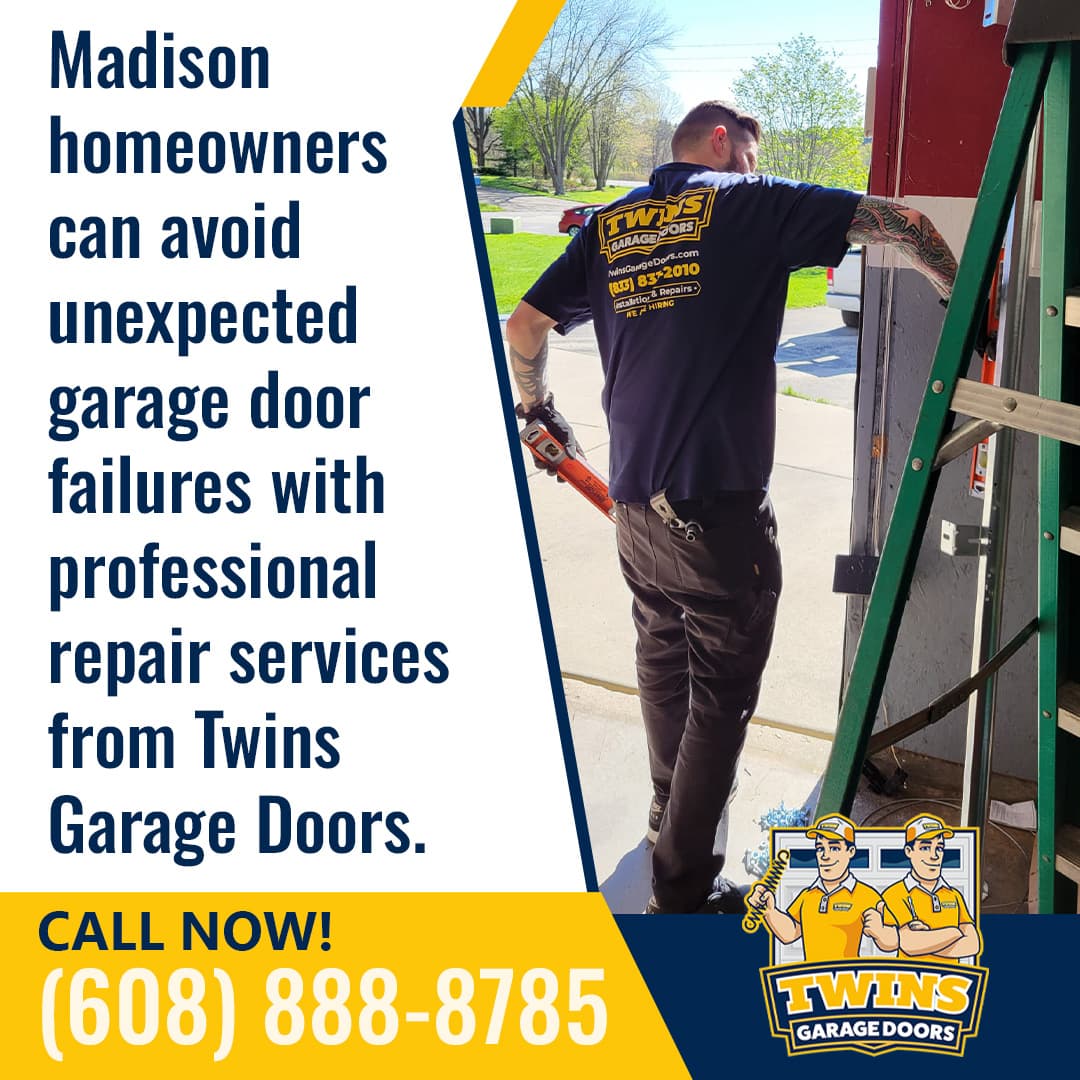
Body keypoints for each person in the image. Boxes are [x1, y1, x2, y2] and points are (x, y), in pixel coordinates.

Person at [505, 100, 958, 914]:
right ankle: (682, 887)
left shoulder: (611, 227)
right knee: (719, 696)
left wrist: (536, 411)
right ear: (723, 142)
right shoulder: (748, 200)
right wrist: (966, 302)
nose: (757, 160)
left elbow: (526, 324)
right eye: (753, 147)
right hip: (716, 515)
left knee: (664, 667)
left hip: (637, 506)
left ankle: (664, 818)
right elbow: (903, 221)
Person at [747, 814, 884, 961]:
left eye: (834, 848)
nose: (825, 855)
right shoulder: (808, 895)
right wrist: (769, 912)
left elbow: (893, 941)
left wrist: (881, 932)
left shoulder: (866, 895)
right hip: (812, 979)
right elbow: (790, 933)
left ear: (850, 852)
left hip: (849, 980)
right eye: (820, 848)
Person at [861, 814, 982, 962]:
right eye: (925, 847)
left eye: (939, 848)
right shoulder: (895, 894)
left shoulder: (954, 895)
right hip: (912, 980)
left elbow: (973, 944)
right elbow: (908, 944)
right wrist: (954, 932)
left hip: (953, 980)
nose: (934, 855)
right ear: (909, 851)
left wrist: (926, 940)